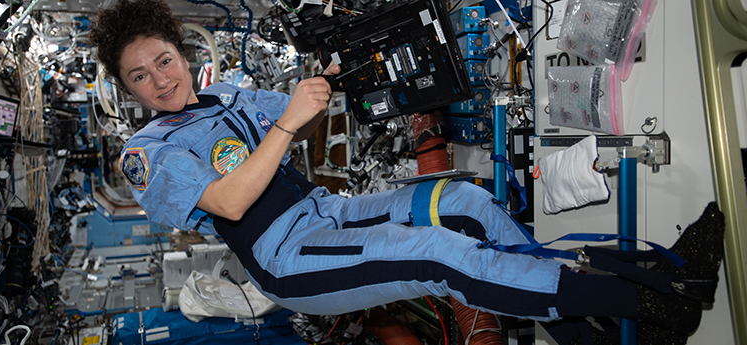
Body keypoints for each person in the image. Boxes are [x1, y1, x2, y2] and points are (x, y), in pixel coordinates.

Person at [89, 0, 725, 343]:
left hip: (320, 211)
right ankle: (657, 302)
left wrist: (337, 76)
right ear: (126, 88)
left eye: (163, 60)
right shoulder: (149, 154)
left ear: (180, 53)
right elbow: (229, 201)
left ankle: (596, 315)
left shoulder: (226, 96)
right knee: (437, 256)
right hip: (283, 254)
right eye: (139, 76)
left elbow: (298, 114)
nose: (160, 81)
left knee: (466, 205)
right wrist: (286, 125)